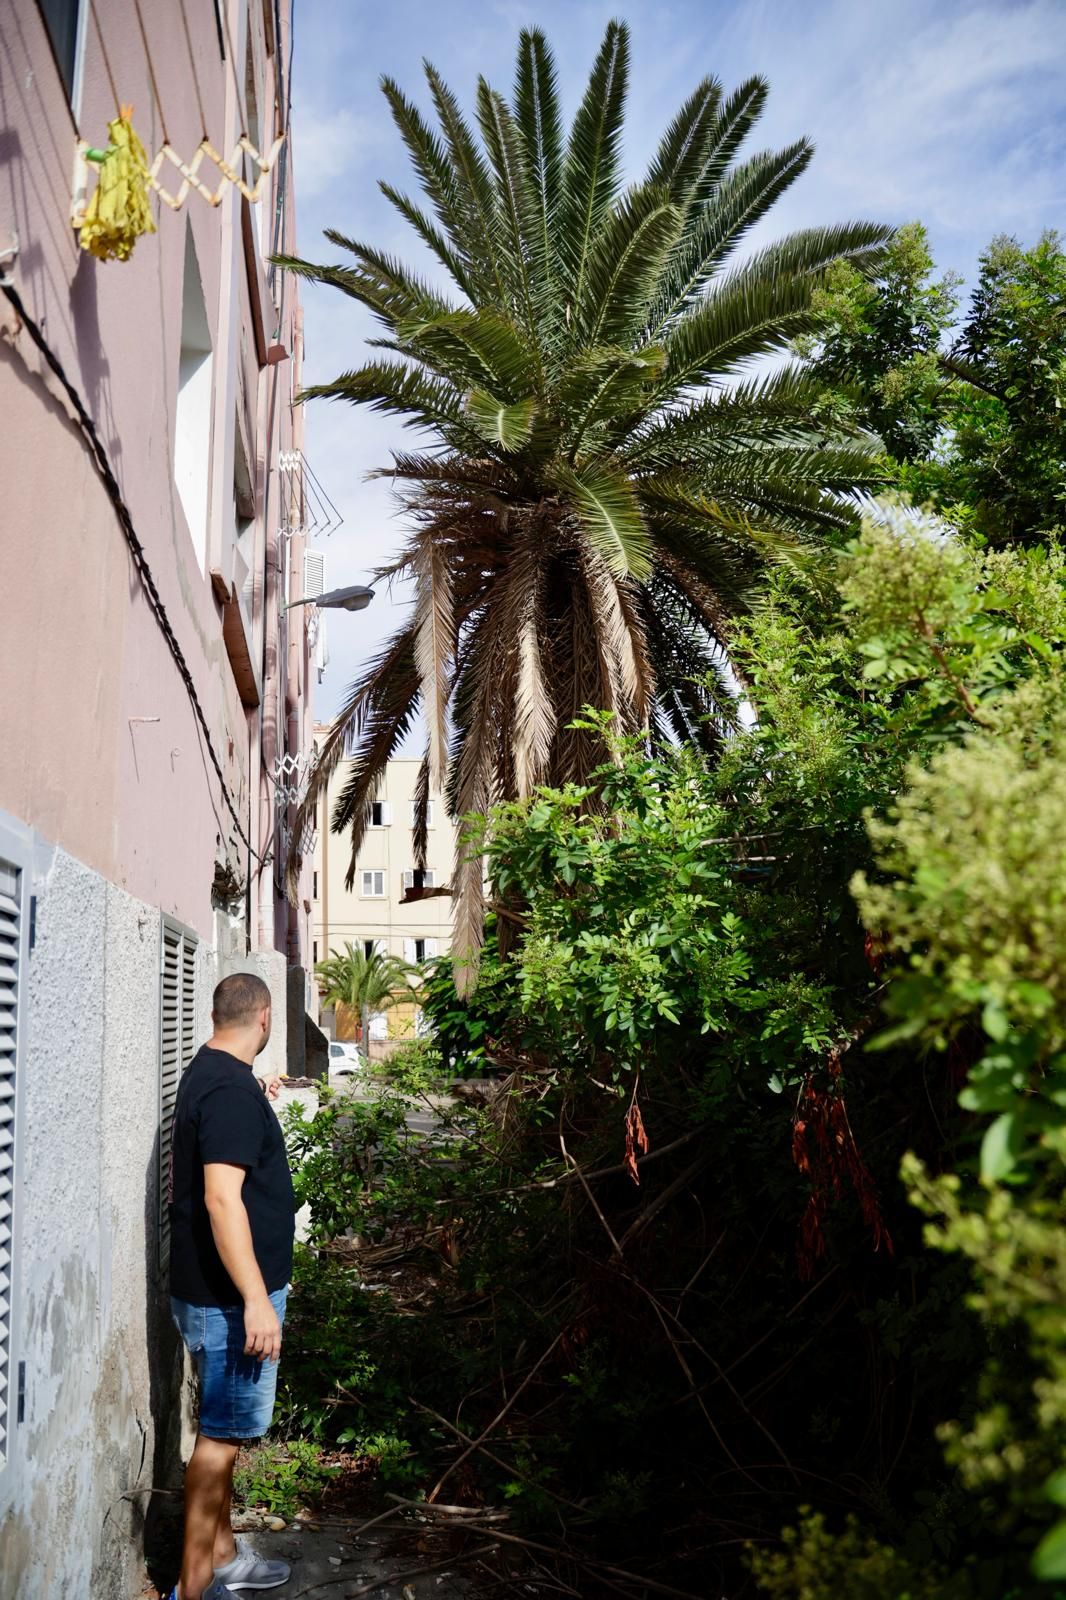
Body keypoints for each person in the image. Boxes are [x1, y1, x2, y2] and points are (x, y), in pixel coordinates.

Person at [166, 972, 296, 1600]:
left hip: (215, 1294)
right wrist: (254, 1301)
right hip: (230, 1301)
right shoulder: (229, 1093)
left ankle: (221, 1557)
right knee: (219, 1441)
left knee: (224, 1427)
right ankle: (192, 1589)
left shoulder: (214, 1074)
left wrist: (255, 1094)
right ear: (265, 1017)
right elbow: (222, 1200)